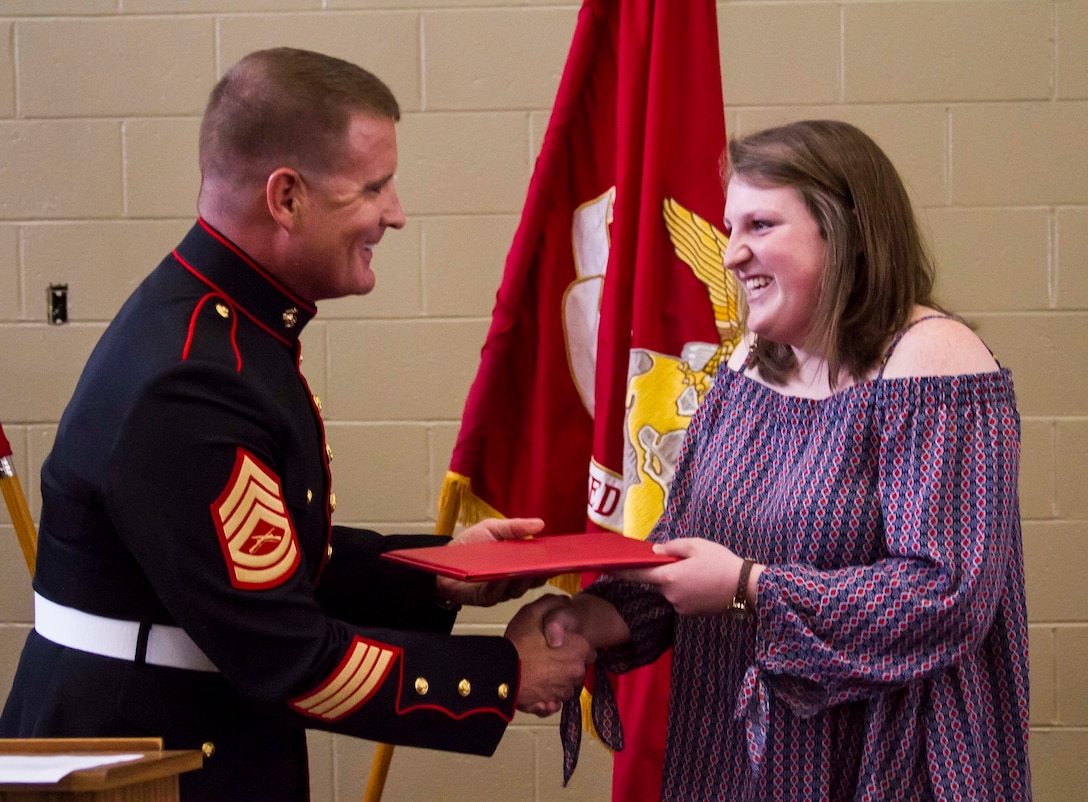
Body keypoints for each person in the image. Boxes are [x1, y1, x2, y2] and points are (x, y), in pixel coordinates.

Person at [0, 47, 593, 802]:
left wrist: (438, 576)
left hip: (186, 738)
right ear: (286, 198)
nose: (397, 213)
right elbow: (286, 655)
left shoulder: (225, 327)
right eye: (373, 187)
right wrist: (503, 677)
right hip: (146, 765)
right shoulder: (192, 381)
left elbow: (258, 559)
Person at [540, 119, 1031, 801]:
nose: (733, 255)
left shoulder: (934, 364)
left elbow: (945, 597)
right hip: (733, 765)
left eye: (761, 226)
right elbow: (686, 548)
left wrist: (751, 587)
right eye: (731, 228)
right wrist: (593, 619)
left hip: (882, 769)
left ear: (846, 233)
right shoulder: (746, 365)